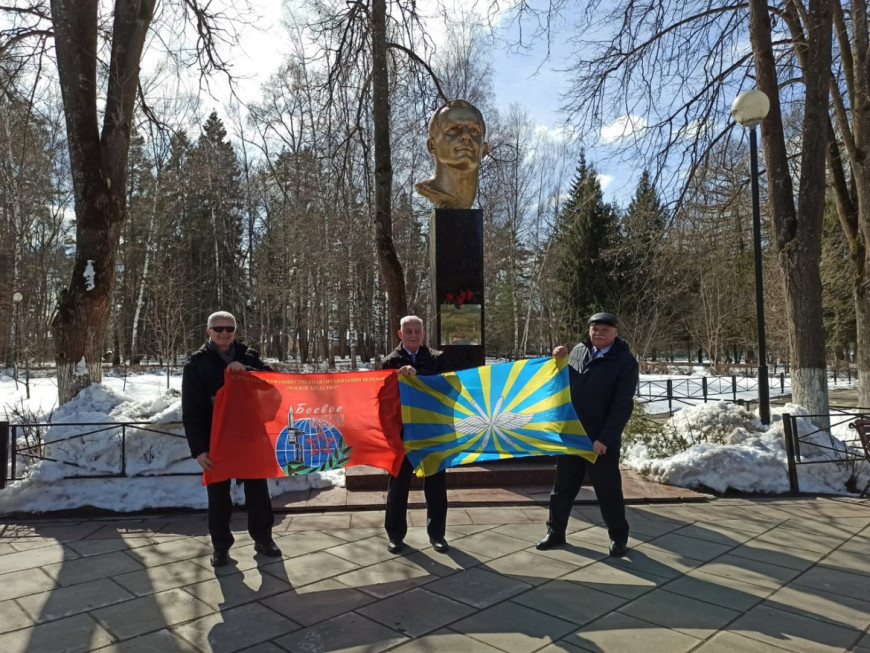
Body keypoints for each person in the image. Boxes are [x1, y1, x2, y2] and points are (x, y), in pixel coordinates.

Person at [182, 311, 282, 567]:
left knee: (258, 492)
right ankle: (220, 546)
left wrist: (247, 371)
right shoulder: (196, 363)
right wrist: (199, 449)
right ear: (209, 331)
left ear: (235, 331)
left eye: (229, 328)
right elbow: (191, 411)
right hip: (216, 438)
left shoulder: (249, 356)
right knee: (218, 495)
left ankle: (264, 538)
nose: (224, 333)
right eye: (218, 329)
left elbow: (272, 383)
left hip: (250, 435)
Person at [536, 312, 639, 557]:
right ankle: (555, 532)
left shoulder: (625, 361)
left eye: (605, 330)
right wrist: (558, 359)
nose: (598, 333)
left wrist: (605, 438)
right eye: (595, 329)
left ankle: (618, 538)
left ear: (615, 332)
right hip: (572, 435)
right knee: (562, 489)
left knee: (608, 491)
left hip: (599, 441)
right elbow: (561, 383)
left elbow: (622, 405)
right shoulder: (578, 352)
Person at [381, 315, 450, 554]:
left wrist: (417, 376)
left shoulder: (438, 359)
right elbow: (384, 399)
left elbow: (446, 389)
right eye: (408, 331)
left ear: (423, 333)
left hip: (433, 431)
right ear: (400, 334)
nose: (413, 335)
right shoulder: (389, 361)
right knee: (398, 487)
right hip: (402, 434)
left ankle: (437, 534)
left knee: (436, 485)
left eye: (417, 331)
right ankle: (395, 535)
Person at [416, 100, 489, 210]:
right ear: (432, 146)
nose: (466, 135)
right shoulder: (429, 189)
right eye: (454, 129)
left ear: (484, 149)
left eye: (474, 130)